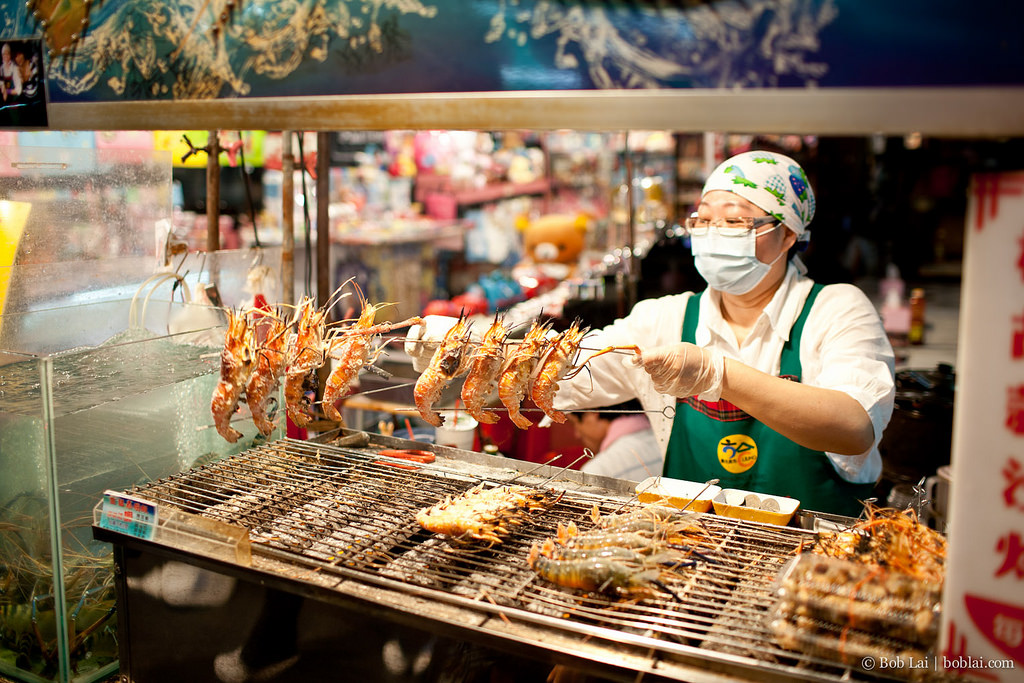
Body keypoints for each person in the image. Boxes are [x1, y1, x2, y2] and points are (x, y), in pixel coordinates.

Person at [552, 150, 895, 516]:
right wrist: (503, 365)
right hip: (691, 553)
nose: (714, 234)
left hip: (814, 556)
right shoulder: (664, 318)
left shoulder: (836, 309)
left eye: (735, 221)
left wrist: (718, 374)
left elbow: (854, 427)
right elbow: (571, 370)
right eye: (702, 219)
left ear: (788, 234)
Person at [567, 399, 662, 482]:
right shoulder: (667, 444)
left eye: (574, 423)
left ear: (591, 412)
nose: (577, 434)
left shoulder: (597, 472)